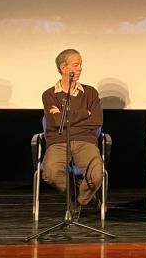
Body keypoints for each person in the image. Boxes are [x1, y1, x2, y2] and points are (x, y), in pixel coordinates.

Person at [42, 48, 103, 211]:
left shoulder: (90, 93)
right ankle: (80, 195)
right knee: (51, 174)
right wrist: (84, 113)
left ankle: (81, 200)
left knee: (96, 176)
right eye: (76, 65)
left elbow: (96, 120)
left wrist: (66, 116)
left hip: (85, 141)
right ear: (63, 68)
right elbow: (56, 121)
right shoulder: (49, 95)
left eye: (81, 65)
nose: (80, 68)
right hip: (59, 141)